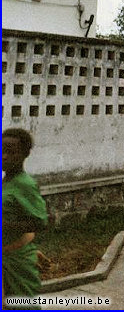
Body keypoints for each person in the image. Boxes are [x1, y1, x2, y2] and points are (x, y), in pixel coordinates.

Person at [2, 128, 48, 310]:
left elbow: (40, 222)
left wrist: (6, 226)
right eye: (1, 150)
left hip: (17, 261)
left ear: (24, 154)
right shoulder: (6, 182)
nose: (4, 156)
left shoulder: (25, 184)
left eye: (11, 152)